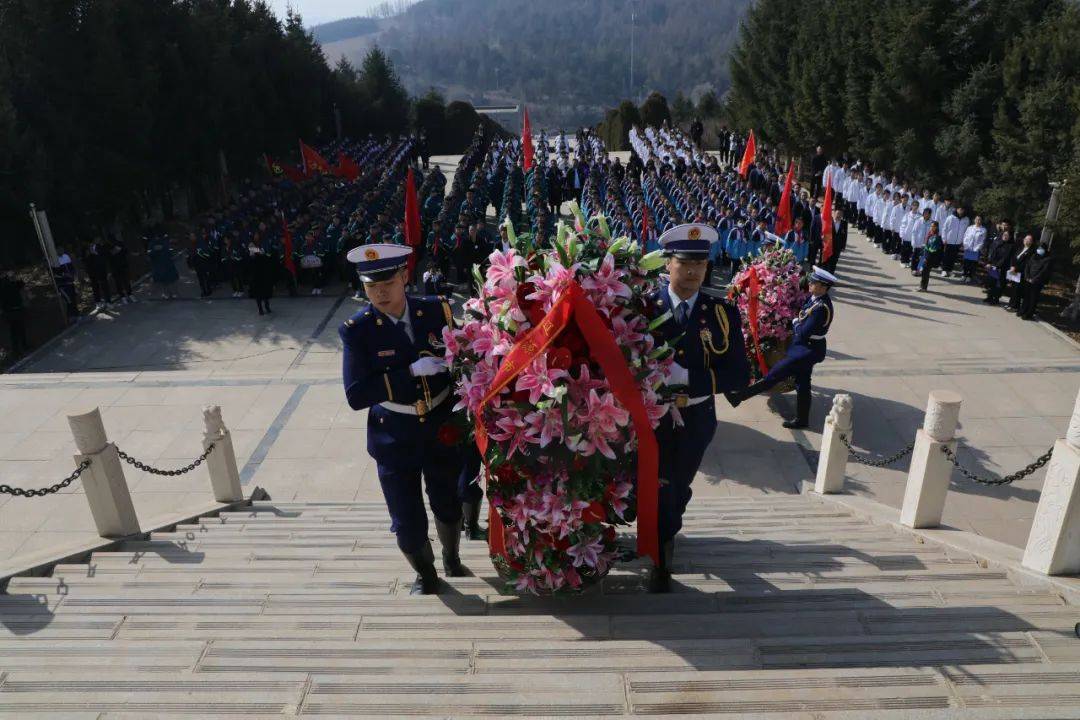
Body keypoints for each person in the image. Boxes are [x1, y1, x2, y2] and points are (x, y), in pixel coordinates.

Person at [339, 243, 466, 594]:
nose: (380, 292)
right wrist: (409, 371)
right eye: (370, 285)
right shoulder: (357, 330)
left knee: (448, 502)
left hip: (441, 425)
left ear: (405, 276)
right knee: (407, 520)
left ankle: (452, 557)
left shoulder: (436, 310)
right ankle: (426, 576)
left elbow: (464, 357)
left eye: (388, 282)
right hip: (394, 434)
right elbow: (355, 394)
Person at [646, 223, 750, 593]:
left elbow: (739, 373)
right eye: (684, 263)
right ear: (668, 263)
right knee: (657, 485)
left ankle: (667, 529)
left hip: (695, 415)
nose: (692, 272)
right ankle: (660, 559)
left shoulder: (721, 313)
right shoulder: (645, 307)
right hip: (651, 415)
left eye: (699, 266)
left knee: (677, 483)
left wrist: (690, 378)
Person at [729, 266, 837, 430]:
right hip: (806, 347)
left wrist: (795, 323)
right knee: (802, 382)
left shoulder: (821, 308)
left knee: (775, 374)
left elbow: (802, 333)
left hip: (806, 350)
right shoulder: (815, 299)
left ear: (823, 287)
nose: (810, 283)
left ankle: (739, 397)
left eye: (814, 282)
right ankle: (802, 419)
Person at [0, 270, 29, 357]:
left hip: (17, 308)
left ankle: (24, 345)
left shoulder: (13, 283)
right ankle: (16, 350)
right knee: (14, 330)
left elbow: (21, 284)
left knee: (21, 328)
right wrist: (6, 278)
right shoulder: (4, 285)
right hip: (9, 310)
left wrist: (14, 278)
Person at [984, 223, 1014, 305]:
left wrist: (997, 266)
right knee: (991, 282)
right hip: (993, 266)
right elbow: (992, 253)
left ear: (1010, 237)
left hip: (1002, 268)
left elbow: (1005, 258)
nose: (1005, 236)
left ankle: (996, 299)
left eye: (1007, 235)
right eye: (1004, 234)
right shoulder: (998, 243)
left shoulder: (1010, 246)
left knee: (999, 285)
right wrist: (989, 262)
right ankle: (989, 296)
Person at [1019, 242, 1052, 320]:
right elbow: (1028, 266)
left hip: (1037, 282)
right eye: (1039, 248)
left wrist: (1034, 279)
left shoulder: (1047, 259)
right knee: (1026, 296)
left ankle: (1029, 314)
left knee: (1033, 298)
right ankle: (1023, 310)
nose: (1040, 250)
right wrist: (1027, 276)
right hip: (1028, 279)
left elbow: (1044, 271)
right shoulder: (1034, 256)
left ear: (1045, 250)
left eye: (1042, 249)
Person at [1006, 234, 1036, 313]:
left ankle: (1015, 306)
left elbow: (1026, 263)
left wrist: (1016, 268)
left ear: (1032, 242)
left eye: (1029, 240)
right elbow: (1014, 258)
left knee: (1018, 290)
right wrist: (1012, 266)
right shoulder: (1021, 248)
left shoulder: (1031, 252)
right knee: (1013, 288)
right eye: (1025, 239)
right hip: (1014, 271)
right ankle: (1010, 304)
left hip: (1021, 272)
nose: (1026, 240)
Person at [148, 231, 180, 299]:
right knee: (163, 280)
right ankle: (166, 293)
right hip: (158, 264)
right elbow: (150, 254)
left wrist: (167, 251)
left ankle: (173, 293)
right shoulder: (152, 244)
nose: (157, 238)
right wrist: (155, 251)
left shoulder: (165, 243)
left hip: (167, 263)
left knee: (171, 279)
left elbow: (170, 252)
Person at [83, 239, 112, 310]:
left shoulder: (100, 248)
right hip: (92, 272)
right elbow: (85, 262)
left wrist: (108, 271)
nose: (91, 245)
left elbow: (105, 259)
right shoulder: (86, 251)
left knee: (105, 286)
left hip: (101, 270)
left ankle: (108, 302)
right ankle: (98, 303)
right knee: (95, 287)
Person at [247, 243, 275, 316]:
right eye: (250, 247)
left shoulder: (260, 253)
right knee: (257, 295)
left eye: (252, 247)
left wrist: (258, 252)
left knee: (265, 293)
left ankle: (267, 306)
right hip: (255, 278)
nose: (251, 249)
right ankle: (260, 309)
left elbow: (265, 259)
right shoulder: (250, 256)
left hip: (263, 276)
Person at [107, 237, 134, 304]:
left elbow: (126, 251)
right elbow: (108, 258)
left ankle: (130, 294)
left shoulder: (120, 243)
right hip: (115, 268)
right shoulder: (107, 247)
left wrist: (120, 249)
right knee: (118, 283)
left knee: (126, 281)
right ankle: (123, 297)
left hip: (123, 266)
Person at [919, 220, 943, 292]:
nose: (932, 227)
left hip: (930, 257)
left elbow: (933, 249)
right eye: (931, 226)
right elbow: (927, 245)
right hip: (926, 255)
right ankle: (922, 286)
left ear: (937, 227)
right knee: (923, 272)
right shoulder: (930, 234)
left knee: (925, 272)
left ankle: (923, 287)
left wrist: (926, 256)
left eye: (933, 226)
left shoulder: (936, 237)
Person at [961, 215, 986, 283]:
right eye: (977, 219)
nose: (978, 221)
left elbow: (982, 241)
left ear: (981, 221)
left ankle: (969, 276)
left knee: (973, 264)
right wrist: (965, 245)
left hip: (976, 250)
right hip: (968, 248)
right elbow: (965, 236)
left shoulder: (983, 230)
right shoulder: (970, 228)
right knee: (966, 263)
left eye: (979, 220)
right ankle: (964, 275)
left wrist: (977, 248)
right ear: (974, 220)